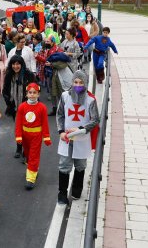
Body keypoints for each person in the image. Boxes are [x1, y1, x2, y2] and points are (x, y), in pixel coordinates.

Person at [56, 70, 99, 204]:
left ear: (85, 83)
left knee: (80, 165)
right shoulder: (65, 96)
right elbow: (60, 115)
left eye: (81, 82)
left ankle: (76, 189)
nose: (78, 85)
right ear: (72, 82)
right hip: (67, 138)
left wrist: (81, 129)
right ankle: (62, 193)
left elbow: (95, 119)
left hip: (82, 138)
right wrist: (61, 131)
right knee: (64, 165)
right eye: (75, 82)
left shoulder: (90, 100)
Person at [15, 83, 51, 189]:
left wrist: (46, 137)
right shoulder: (22, 107)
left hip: (36, 136)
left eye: (34, 93)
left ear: (38, 94)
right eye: (30, 93)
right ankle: (33, 169)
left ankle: (30, 178)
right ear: (26, 94)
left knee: (34, 155)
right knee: (27, 154)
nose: (32, 95)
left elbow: (45, 123)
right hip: (25, 135)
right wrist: (18, 136)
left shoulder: (42, 107)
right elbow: (18, 123)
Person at [2, 55, 36, 159]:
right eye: (13, 64)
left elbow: (35, 89)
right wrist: (9, 102)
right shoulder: (8, 75)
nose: (15, 66)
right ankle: (19, 148)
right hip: (15, 107)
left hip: (27, 107)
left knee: (27, 130)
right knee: (19, 129)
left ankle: (26, 149)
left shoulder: (29, 75)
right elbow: (5, 91)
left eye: (18, 64)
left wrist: (31, 102)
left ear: (21, 64)